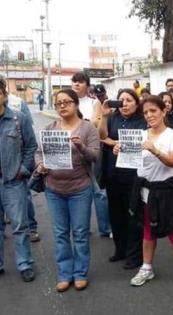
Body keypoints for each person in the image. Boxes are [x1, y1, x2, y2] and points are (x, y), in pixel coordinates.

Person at [116, 95, 173, 289]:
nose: (149, 115)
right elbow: (132, 161)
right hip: (144, 190)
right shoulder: (141, 134)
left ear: (163, 111)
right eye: (145, 112)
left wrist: (155, 150)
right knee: (147, 229)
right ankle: (146, 267)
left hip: (165, 190)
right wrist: (120, 151)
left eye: (153, 111)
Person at [35, 88, 100, 292]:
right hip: (54, 189)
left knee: (80, 233)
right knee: (60, 233)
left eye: (67, 102)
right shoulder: (50, 128)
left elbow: (96, 157)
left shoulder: (88, 129)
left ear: (76, 104)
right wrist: (40, 165)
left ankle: (80, 273)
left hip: (80, 188)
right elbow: (38, 153)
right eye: (58, 103)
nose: (62, 106)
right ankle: (64, 273)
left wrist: (81, 147)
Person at [98, 88, 147, 270]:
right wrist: (104, 116)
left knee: (133, 216)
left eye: (128, 100)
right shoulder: (112, 118)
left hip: (134, 175)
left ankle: (135, 255)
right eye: (121, 100)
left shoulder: (143, 121)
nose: (124, 104)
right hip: (113, 174)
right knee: (115, 214)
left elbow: (144, 143)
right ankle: (120, 249)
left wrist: (120, 144)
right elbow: (101, 137)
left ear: (137, 103)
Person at [0, 78, 37, 282]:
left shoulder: (18, 118)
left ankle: (24, 263)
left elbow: (31, 146)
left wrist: (23, 169)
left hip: (13, 182)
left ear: (4, 95)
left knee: (19, 225)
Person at [71, 72, 111, 237]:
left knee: (99, 191)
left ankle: (105, 228)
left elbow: (96, 123)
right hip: (73, 151)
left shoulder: (94, 103)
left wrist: (84, 124)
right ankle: (83, 228)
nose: (76, 85)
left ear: (87, 85)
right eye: (74, 82)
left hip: (92, 149)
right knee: (78, 191)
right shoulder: (69, 101)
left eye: (79, 82)